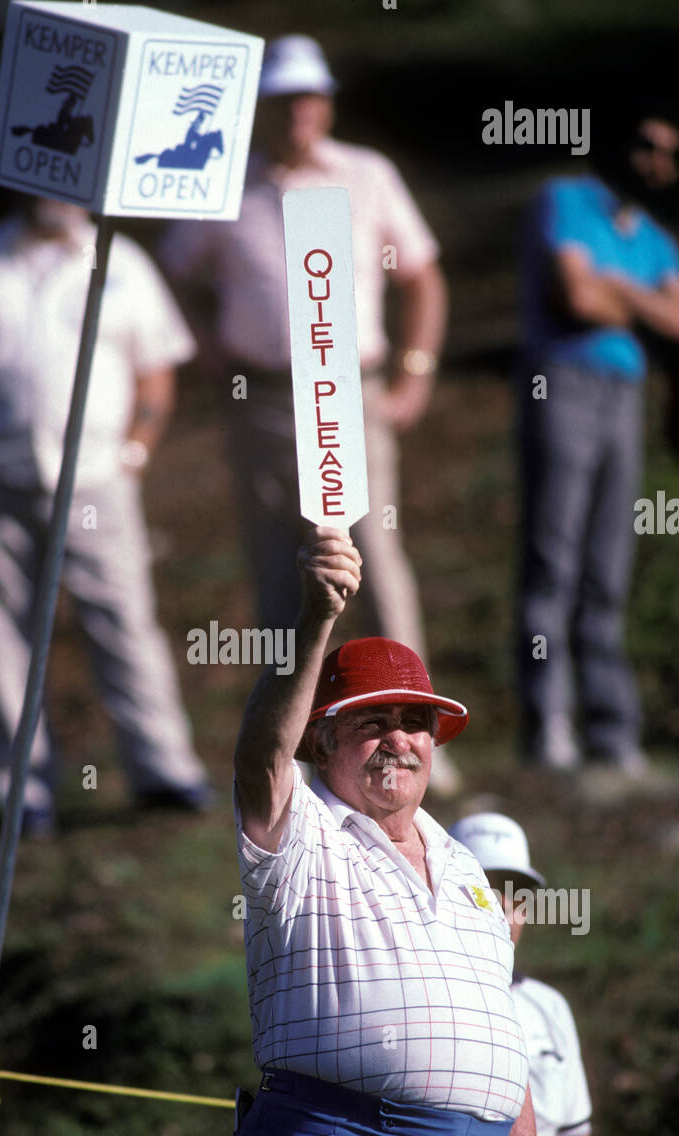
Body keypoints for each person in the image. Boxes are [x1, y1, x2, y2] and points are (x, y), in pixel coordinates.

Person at [230, 525, 562, 1136]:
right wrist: (315, 617)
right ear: (323, 739)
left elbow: (500, 1050)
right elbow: (259, 755)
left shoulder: (471, 873)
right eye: (372, 720)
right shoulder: (301, 831)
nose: (400, 740)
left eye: (416, 722)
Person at [160, 35, 459, 796]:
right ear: (261, 108)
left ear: (326, 101)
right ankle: (292, 746)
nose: (298, 111)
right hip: (259, 399)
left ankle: (414, 736)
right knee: (276, 572)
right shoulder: (224, 187)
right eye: (283, 98)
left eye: (308, 96)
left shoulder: (368, 174)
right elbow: (170, 277)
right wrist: (206, 350)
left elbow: (423, 276)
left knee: (375, 558)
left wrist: (414, 375)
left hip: (352, 393)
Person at [0, 197, 211, 833]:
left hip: (99, 481)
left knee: (123, 621)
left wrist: (134, 453)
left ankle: (163, 770)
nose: (57, 196)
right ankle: (25, 790)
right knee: (4, 633)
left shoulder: (121, 259)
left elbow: (157, 366)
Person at [516, 110, 679, 774]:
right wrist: (638, 303)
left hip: (626, 396)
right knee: (553, 555)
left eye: (668, 153)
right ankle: (547, 723)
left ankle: (613, 730)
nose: (656, 161)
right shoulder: (566, 200)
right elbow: (575, 298)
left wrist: (619, 291)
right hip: (561, 384)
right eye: (645, 145)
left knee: (608, 564)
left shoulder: (655, 237)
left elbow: (675, 321)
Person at [448, 813, 604, 1136]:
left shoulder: (551, 1008)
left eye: (514, 893)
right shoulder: (418, 1001)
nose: (499, 906)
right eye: (482, 886)